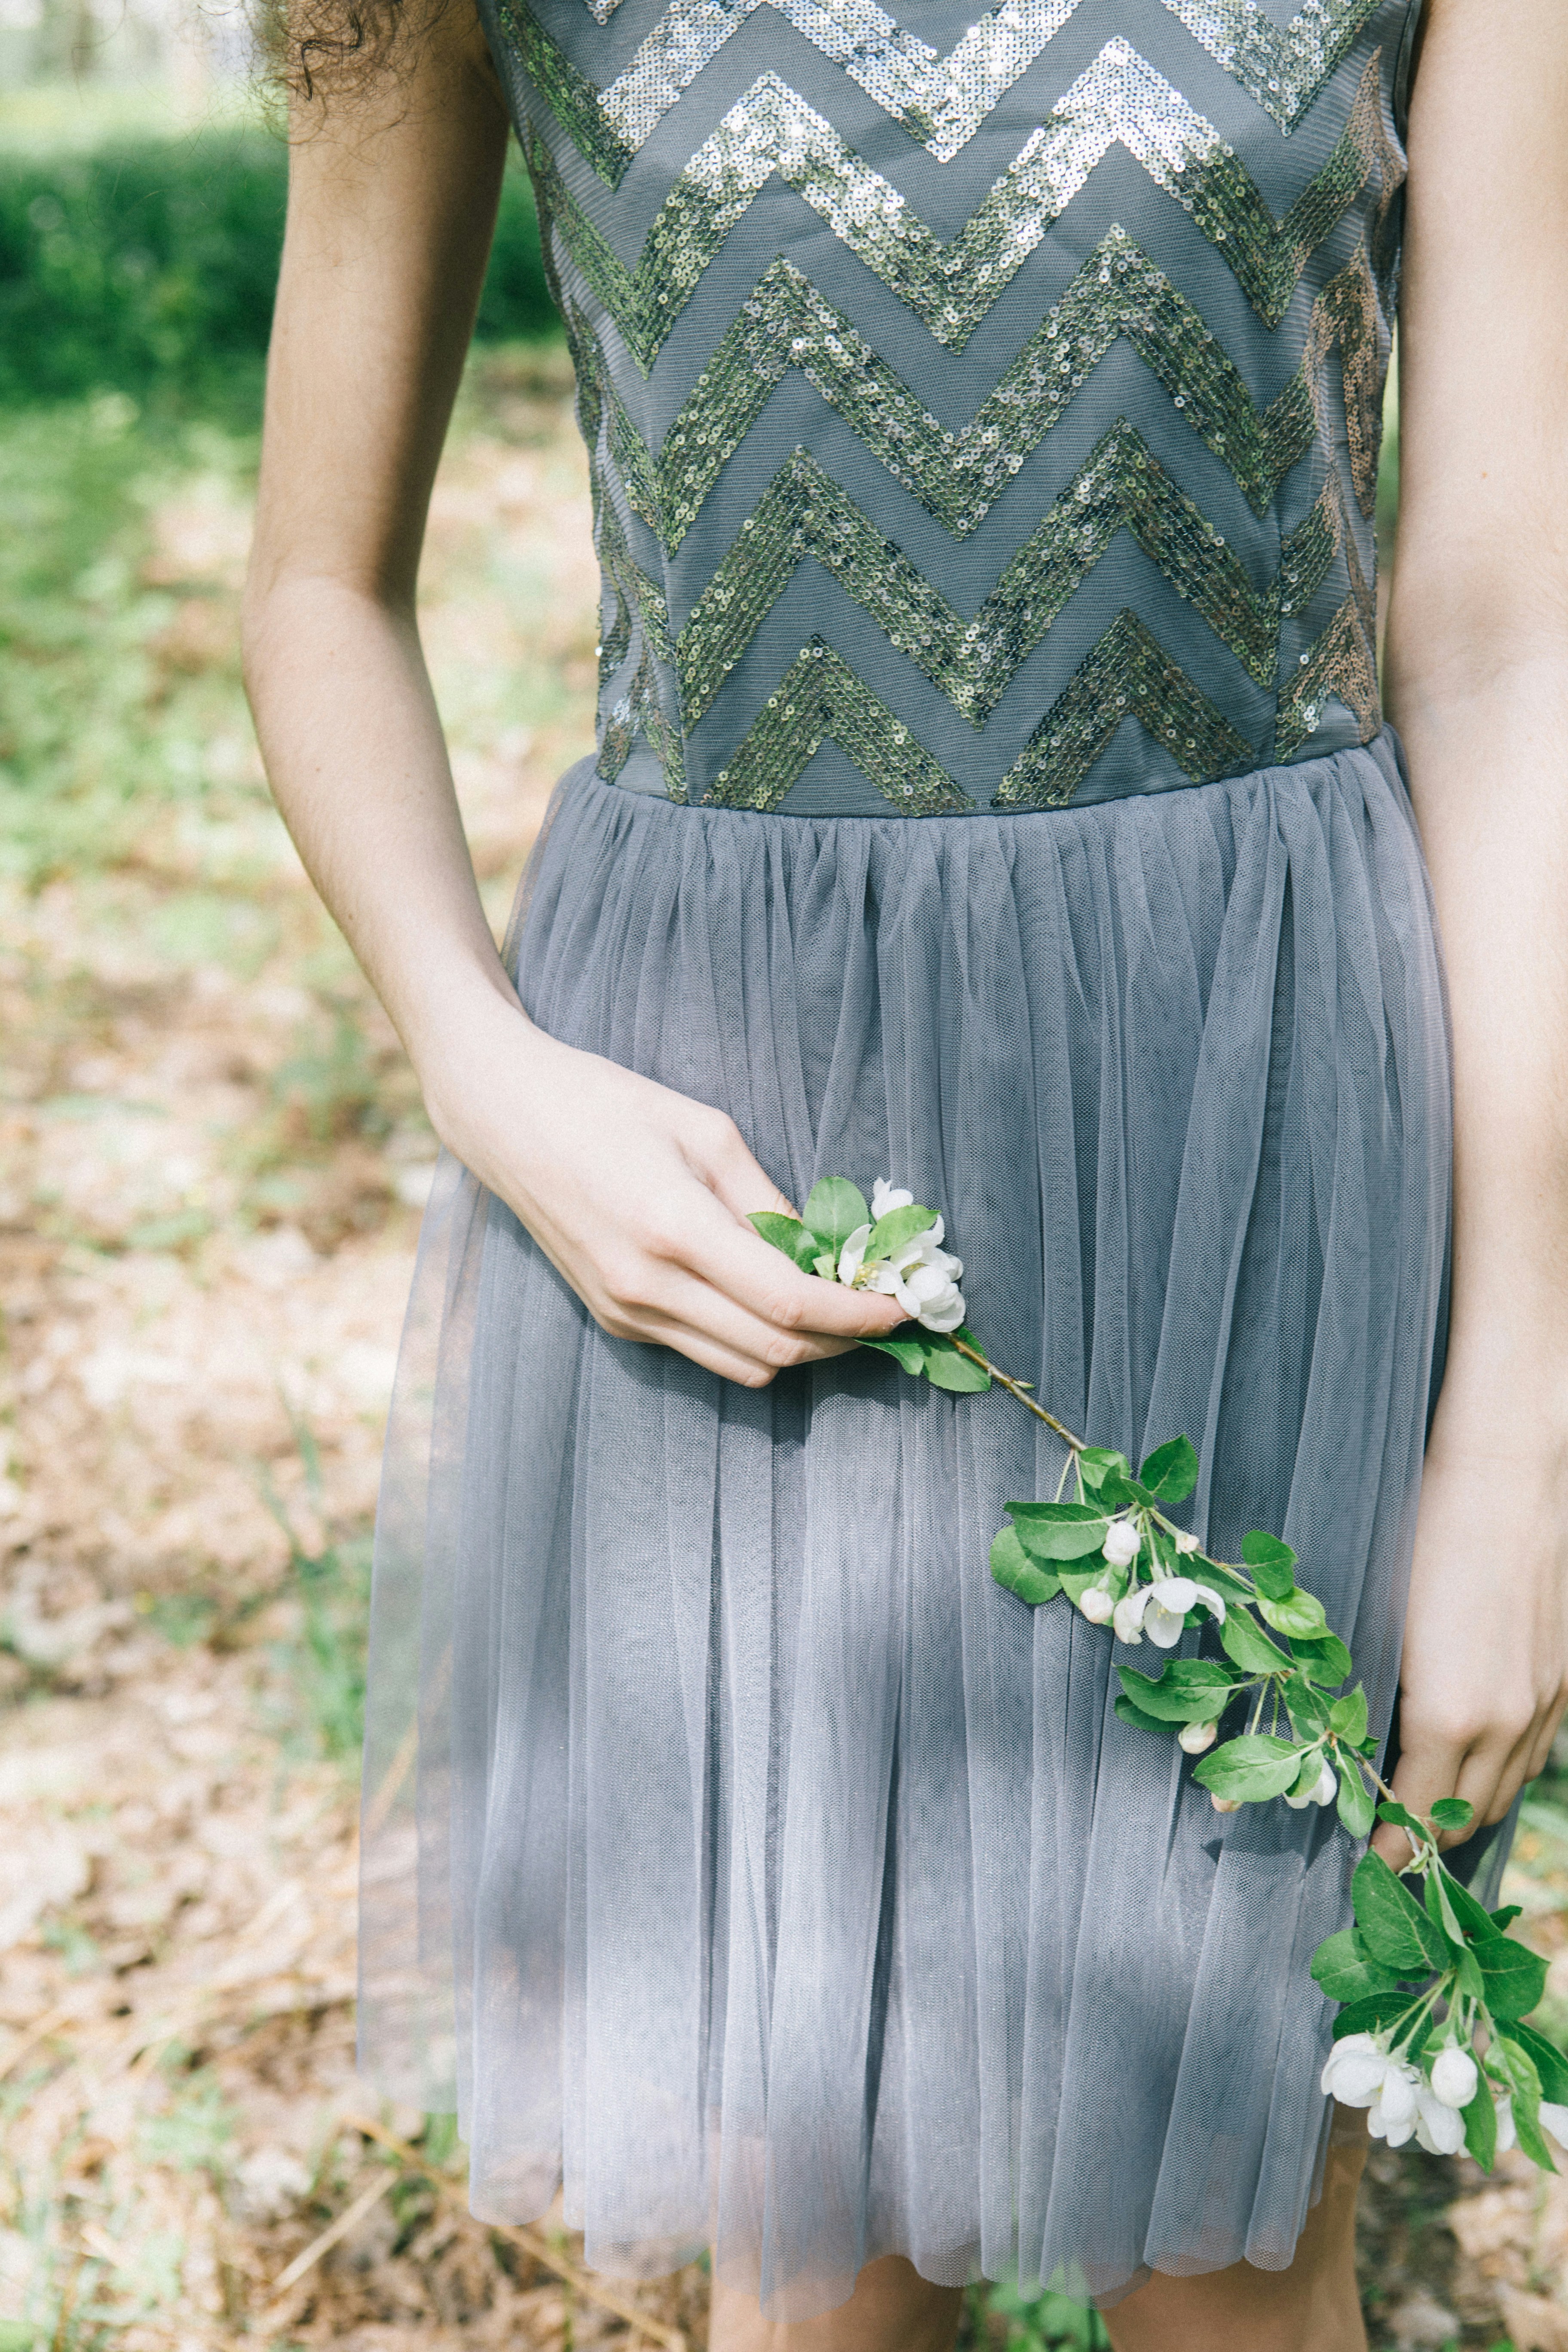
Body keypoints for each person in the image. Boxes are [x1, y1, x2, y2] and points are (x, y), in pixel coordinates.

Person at [241, 0, 1568, 2341]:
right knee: (815, 2236)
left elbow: (1503, 639)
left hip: (1260, 1119)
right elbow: (314, 588)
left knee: (1238, 2248)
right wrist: (482, 1066)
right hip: (736, 1152)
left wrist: (1526, 1406)